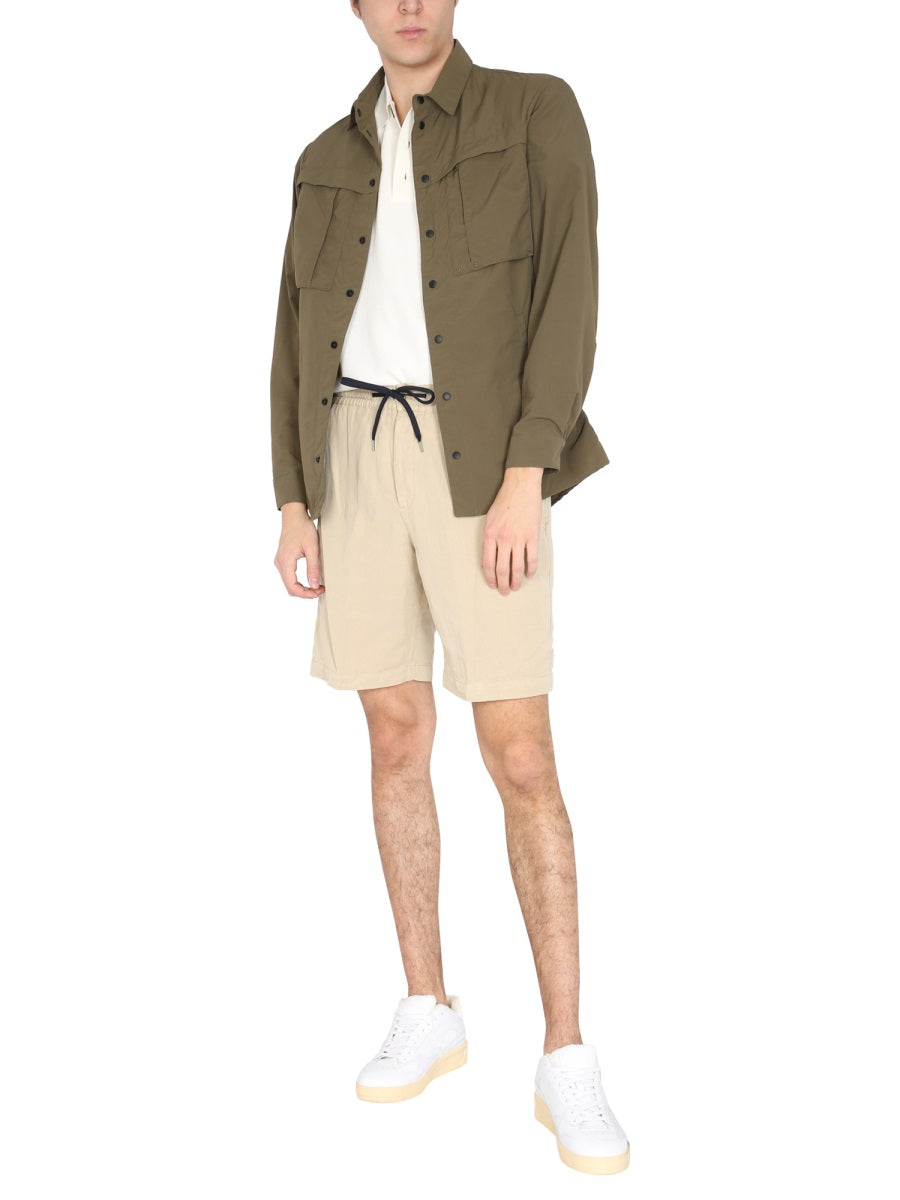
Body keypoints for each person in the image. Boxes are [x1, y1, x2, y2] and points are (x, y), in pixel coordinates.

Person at [270, 0, 629, 1176]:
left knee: (519, 752)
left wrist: (531, 470)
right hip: (353, 459)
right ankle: (429, 1003)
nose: (410, 7)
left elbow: (568, 297)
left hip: (483, 466)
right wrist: (293, 498)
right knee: (392, 731)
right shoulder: (324, 157)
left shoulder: (535, 111)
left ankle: (565, 1053)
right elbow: (292, 335)